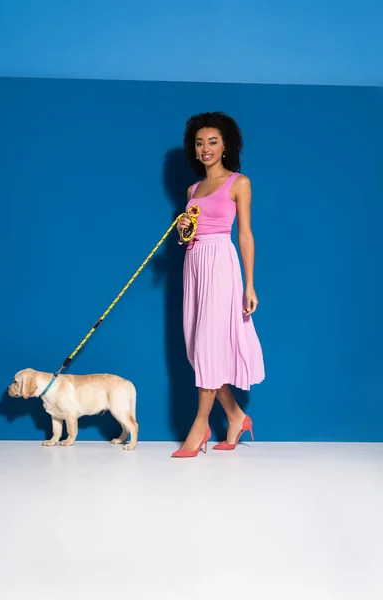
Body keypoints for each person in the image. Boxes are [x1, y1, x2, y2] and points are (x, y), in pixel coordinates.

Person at [172, 111, 265, 458]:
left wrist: (250, 284)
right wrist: (184, 228)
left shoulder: (239, 183)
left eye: (212, 141)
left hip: (221, 265)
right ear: (194, 150)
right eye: (200, 143)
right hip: (193, 264)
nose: (206, 148)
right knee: (199, 348)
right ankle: (236, 416)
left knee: (209, 345)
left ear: (225, 146)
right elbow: (189, 235)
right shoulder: (192, 189)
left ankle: (200, 425)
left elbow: (244, 235)